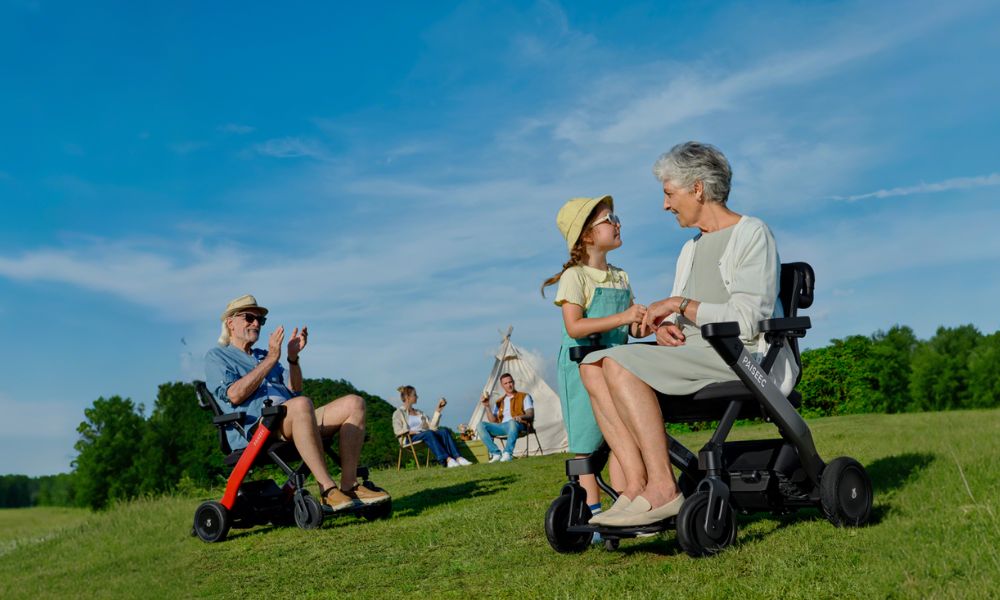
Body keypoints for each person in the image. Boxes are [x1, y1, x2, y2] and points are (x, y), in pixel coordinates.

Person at [582, 142, 783, 527]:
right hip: (692, 354)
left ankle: (664, 487)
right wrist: (664, 328)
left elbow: (748, 318)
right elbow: (684, 316)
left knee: (617, 363)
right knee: (592, 365)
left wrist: (677, 303)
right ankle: (636, 485)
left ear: (697, 189)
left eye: (668, 193)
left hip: (738, 356)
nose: (665, 205)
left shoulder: (752, 233)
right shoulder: (690, 249)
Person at [204, 294, 390, 512]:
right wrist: (271, 359)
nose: (256, 324)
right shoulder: (217, 357)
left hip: (292, 416)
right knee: (301, 405)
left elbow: (294, 390)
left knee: (354, 403)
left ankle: (350, 486)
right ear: (230, 322)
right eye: (249, 318)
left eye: (260, 320)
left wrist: (292, 358)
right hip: (257, 428)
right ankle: (328, 490)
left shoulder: (263, 354)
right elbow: (234, 395)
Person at [541, 195, 646, 535]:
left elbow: (630, 326)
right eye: (608, 219)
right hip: (583, 368)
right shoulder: (576, 277)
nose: (617, 223)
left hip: (617, 367)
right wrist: (625, 316)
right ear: (586, 236)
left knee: (623, 438)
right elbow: (575, 327)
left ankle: (628, 502)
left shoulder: (621, 276)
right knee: (588, 445)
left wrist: (646, 322)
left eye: (616, 217)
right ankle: (594, 516)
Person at [392, 386, 472, 467]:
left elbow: (432, 427)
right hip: (410, 438)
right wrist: (410, 432)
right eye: (415, 395)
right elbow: (397, 431)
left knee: (444, 431)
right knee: (429, 433)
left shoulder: (419, 413)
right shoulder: (398, 413)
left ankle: (458, 458)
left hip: (425, 435)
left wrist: (438, 410)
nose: (417, 397)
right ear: (407, 397)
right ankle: (448, 460)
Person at [476, 373, 534, 463]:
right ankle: (496, 453)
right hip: (502, 426)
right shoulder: (499, 401)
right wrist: (487, 406)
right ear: (502, 385)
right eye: (506, 383)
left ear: (513, 382)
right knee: (480, 425)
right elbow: (493, 421)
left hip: (518, 425)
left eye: (510, 382)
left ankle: (507, 453)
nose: (509, 385)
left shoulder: (524, 396)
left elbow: (530, 414)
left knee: (512, 422)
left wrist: (520, 416)